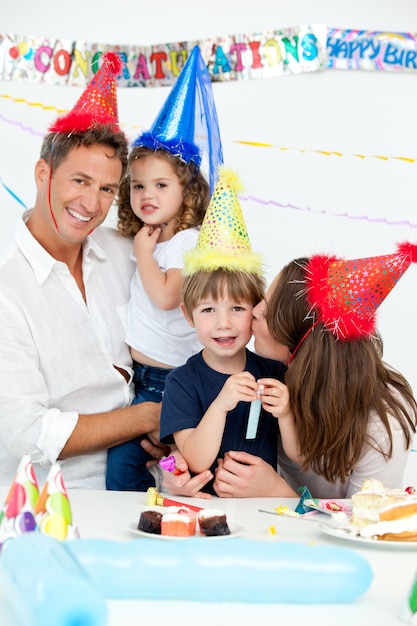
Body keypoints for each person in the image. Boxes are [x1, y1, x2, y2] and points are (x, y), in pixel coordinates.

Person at [0, 53, 166, 490]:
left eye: (107, 188)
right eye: (79, 181)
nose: (91, 205)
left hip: (154, 486)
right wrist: (146, 416)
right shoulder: (7, 291)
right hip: (58, 502)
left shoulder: (128, 255)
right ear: (43, 173)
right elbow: (26, 434)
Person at [161, 245, 417, 499]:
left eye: (268, 309)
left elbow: (363, 526)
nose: (255, 311)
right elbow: (188, 431)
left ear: (298, 343)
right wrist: (174, 464)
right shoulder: (281, 375)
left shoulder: (383, 426)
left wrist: (275, 491)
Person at [106, 44, 223, 491]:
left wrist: (141, 254)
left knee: (131, 465)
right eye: (137, 186)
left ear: (187, 190)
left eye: (160, 184)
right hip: (143, 379)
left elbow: (167, 296)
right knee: (143, 465)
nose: (146, 194)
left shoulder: (184, 243)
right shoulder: (154, 238)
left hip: (171, 379)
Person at [159, 168, 291, 495]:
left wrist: (287, 413)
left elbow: (299, 456)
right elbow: (195, 459)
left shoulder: (275, 373)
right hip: (203, 508)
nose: (224, 324)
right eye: (208, 310)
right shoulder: (182, 382)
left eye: (237, 308)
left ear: (257, 309)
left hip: (262, 511)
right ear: (188, 316)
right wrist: (220, 405)